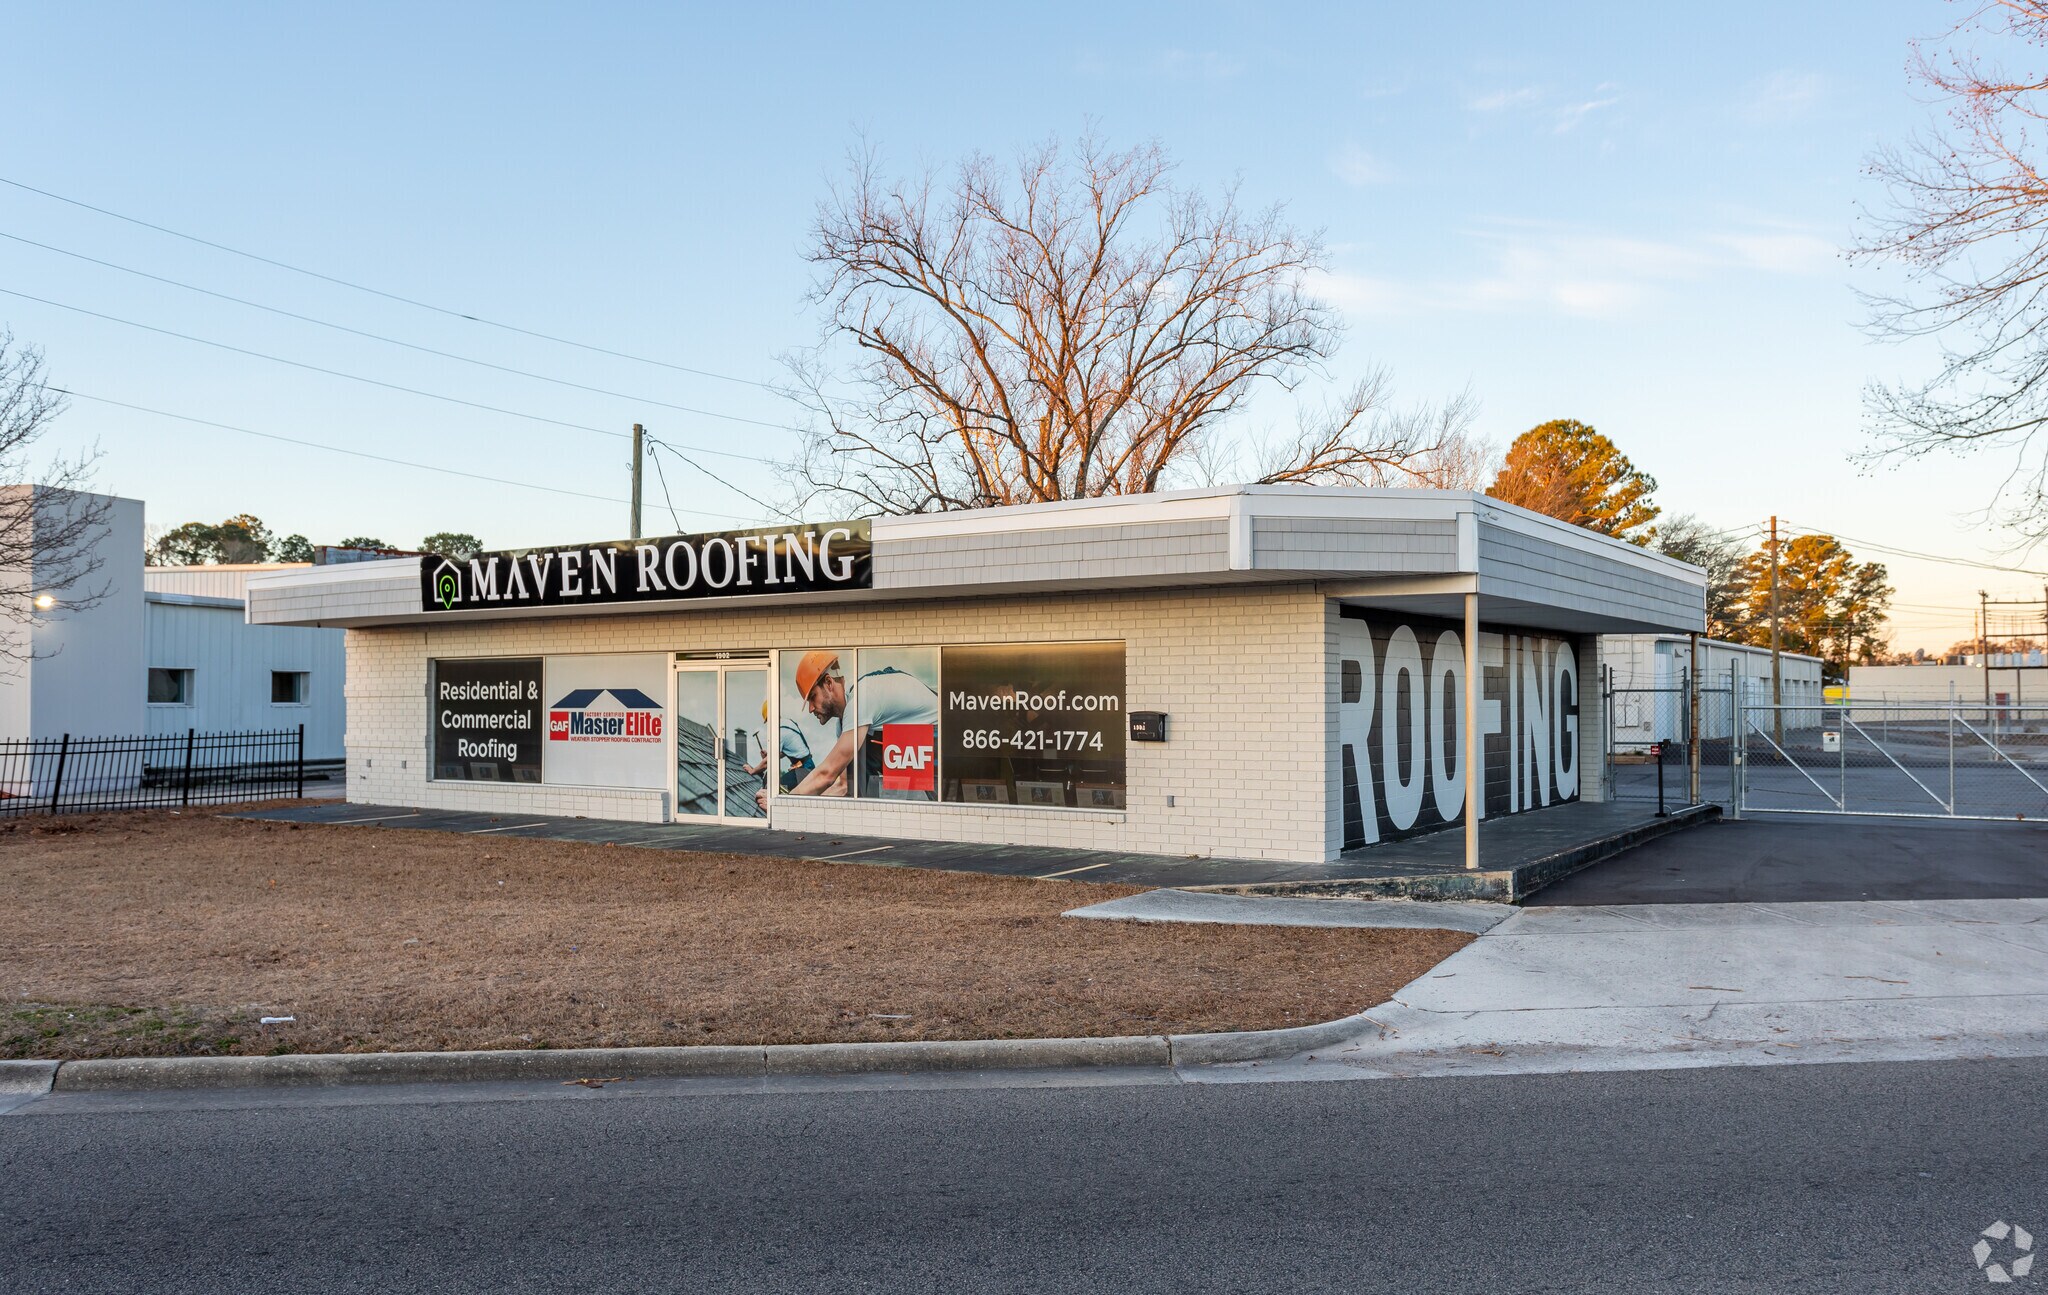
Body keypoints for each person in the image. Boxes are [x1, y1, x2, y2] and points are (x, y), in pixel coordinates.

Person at [787, 650, 938, 799]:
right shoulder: (845, 724)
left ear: (828, 683)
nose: (811, 708)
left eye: (813, 697)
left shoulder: (861, 699)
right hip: (914, 739)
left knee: (949, 807)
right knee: (859, 757)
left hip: (942, 733)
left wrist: (784, 802)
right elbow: (843, 786)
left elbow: (827, 774)